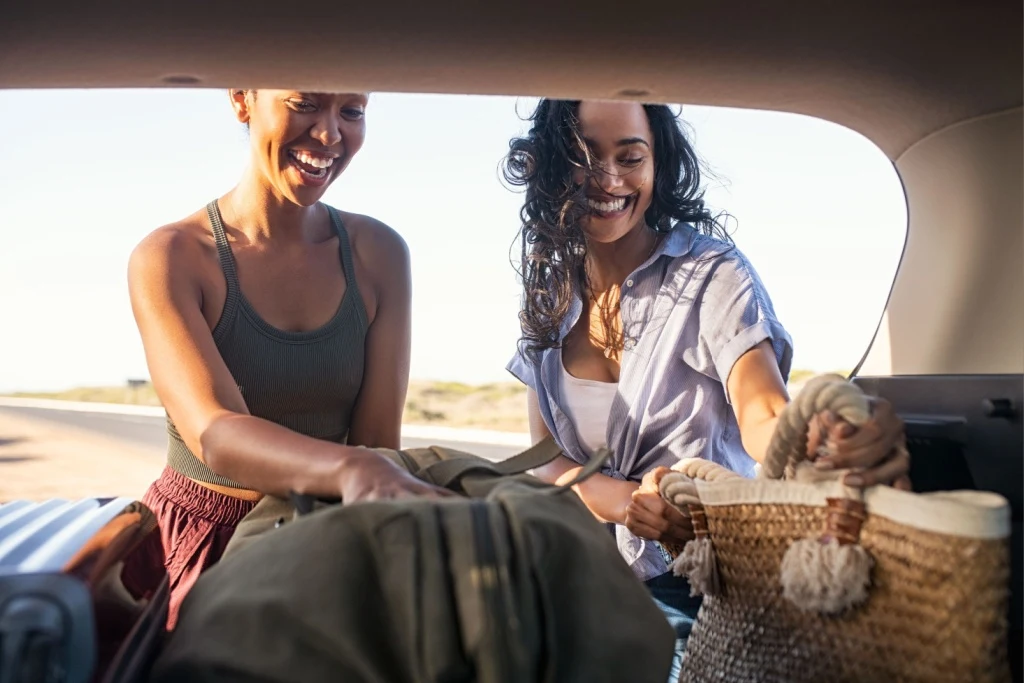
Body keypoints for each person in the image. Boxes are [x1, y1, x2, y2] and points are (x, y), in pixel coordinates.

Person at [502, 99, 910, 677]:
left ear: (657, 166)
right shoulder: (550, 296)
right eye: (584, 156)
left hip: (699, 580)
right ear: (550, 166)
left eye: (630, 157)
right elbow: (548, 462)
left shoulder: (714, 274)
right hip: (579, 573)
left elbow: (764, 411)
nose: (610, 179)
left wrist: (820, 439)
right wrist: (625, 503)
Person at [128, 90, 450, 629]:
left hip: (326, 526)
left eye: (352, 112)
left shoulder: (380, 253)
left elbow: (377, 444)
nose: (329, 134)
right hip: (206, 542)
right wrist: (353, 467)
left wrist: (369, 478)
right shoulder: (171, 256)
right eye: (305, 103)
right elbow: (218, 437)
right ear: (241, 98)